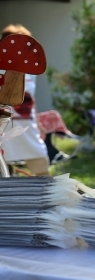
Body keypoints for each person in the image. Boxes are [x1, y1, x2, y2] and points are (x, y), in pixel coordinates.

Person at [0, 24, 49, 175]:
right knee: (4, 165)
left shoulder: (29, 72)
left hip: (27, 125)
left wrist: (39, 122)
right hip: (4, 126)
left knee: (40, 162)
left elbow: (31, 99)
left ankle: (45, 195)